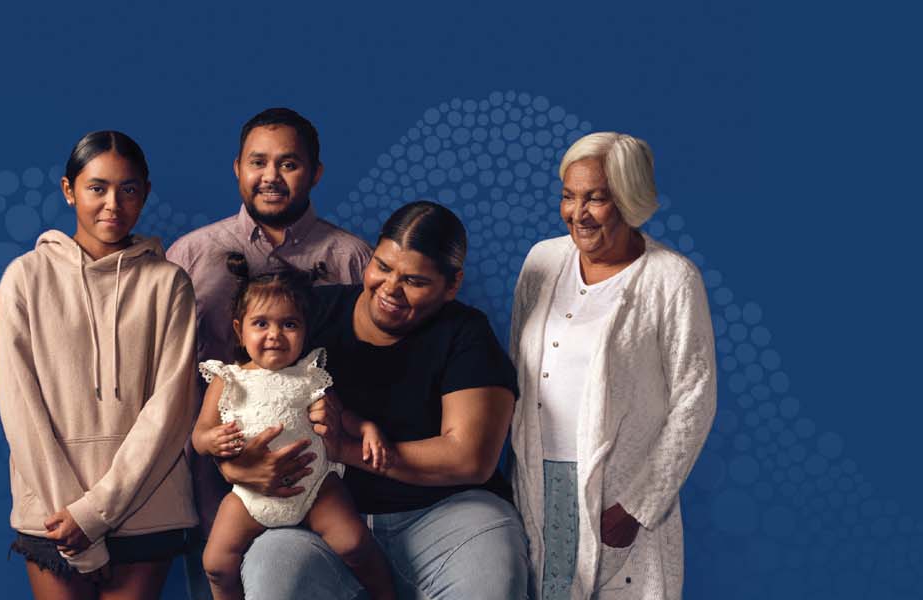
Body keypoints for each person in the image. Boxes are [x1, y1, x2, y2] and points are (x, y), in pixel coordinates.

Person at [220, 201, 530, 599]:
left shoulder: (465, 334)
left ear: (451, 286)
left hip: (449, 516)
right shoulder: (308, 314)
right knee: (272, 572)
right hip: (318, 514)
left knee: (494, 573)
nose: (391, 290)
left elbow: (469, 458)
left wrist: (345, 448)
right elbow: (242, 396)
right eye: (383, 267)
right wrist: (237, 467)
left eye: (415, 281)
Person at [166, 107, 373, 599]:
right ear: (237, 167)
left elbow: (373, 372)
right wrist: (230, 464)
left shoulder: (353, 260)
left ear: (315, 172)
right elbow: (165, 382)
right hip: (220, 491)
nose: (271, 177)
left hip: (322, 484)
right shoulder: (190, 258)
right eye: (258, 162)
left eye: (289, 163)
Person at [509, 132, 716, 599]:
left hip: (619, 490)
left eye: (595, 199)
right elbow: (517, 372)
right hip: (539, 480)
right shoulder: (542, 262)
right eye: (568, 196)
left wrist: (638, 505)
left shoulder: (672, 279)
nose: (576, 214)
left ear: (628, 198)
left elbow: (695, 399)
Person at [0, 130, 199, 599]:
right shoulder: (23, 280)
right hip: (51, 511)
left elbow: (171, 410)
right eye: (97, 188)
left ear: (145, 193)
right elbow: (20, 408)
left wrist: (95, 514)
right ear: (69, 191)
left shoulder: (169, 284)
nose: (113, 203)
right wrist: (76, 521)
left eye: (128, 189)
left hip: (147, 508)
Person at [191, 253, 396, 600]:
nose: (275, 335)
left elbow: (340, 415)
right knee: (215, 563)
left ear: (304, 331)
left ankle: (388, 596)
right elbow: (198, 436)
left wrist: (367, 428)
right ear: (240, 330)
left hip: (315, 486)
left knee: (355, 544)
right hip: (250, 495)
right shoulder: (228, 380)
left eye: (289, 324)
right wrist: (213, 440)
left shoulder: (310, 375)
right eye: (261, 324)